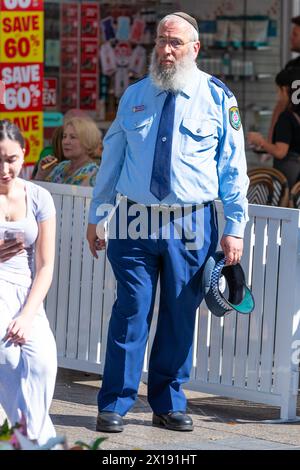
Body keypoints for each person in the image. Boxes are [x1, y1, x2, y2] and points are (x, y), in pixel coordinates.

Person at [87, 12, 248, 433]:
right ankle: (115, 404)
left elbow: (234, 167)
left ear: (195, 49)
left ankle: (168, 403)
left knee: (179, 316)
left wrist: (234, 227)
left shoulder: (218, 98)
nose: (166, 49)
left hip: (191, 224)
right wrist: (97, 214)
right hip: (134, 222)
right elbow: (112, 160)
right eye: (161, 40)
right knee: (131, 310)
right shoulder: (135, 94)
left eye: (175, 42)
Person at [0, 120, 57, 444]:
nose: (5, 168)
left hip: (28, 294)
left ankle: (30, 435)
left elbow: (46, 265)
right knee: (6, 356)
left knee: (42, 363)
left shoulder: (39, 197)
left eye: (11, 159)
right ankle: (31, 438)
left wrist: (27, 314)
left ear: (24, 154)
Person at [248, 68, 300, 188]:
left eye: (278, 90)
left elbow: (280, 151)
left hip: (290, 177)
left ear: (285, 90)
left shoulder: (286, 118)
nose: (278, 95)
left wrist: (260, 141)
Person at [34, 117, 102, 186]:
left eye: (73, 137)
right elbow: (38, 194)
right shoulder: (61, 166)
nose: (65, 142)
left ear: (88, 141)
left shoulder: (95, 174)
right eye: (64, 136)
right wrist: (41, 175)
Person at [268, 16, 300, 141]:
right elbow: (281, 104)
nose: (291, 38)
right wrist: (271, 139)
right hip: (288, 143)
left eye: (295, 35)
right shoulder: (291, 67)